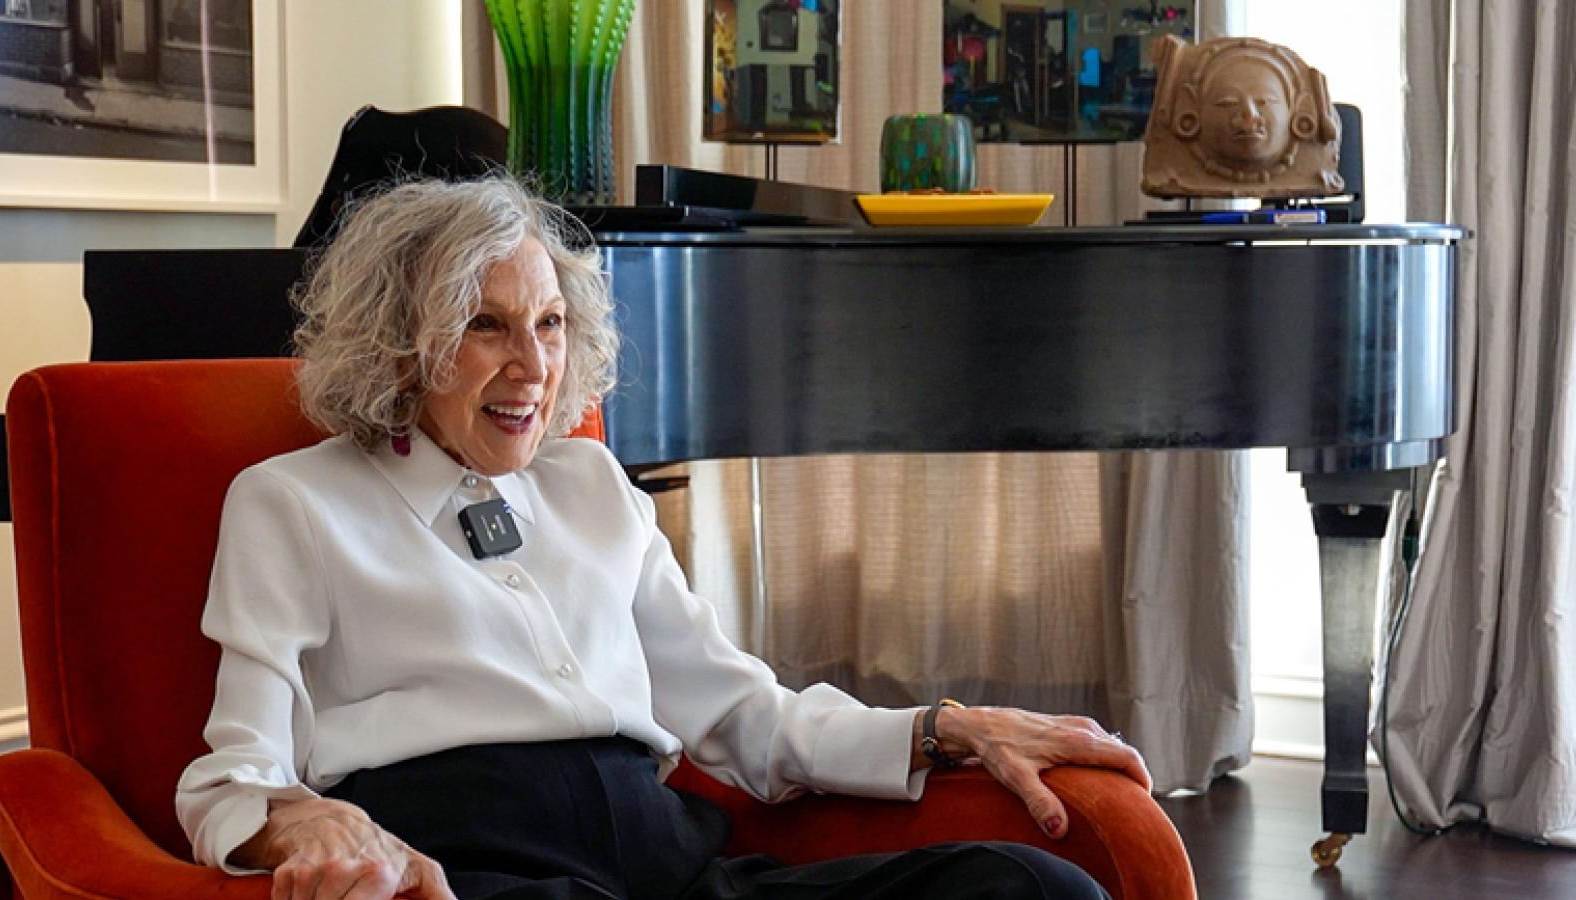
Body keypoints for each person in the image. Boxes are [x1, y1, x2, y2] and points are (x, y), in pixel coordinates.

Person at [176, 177, 1152, 900]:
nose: (533, 366)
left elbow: (741, 717)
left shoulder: (591, 485)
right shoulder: (292, 503)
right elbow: (233, 772)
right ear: (398, 342)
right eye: (486, 326)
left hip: (671, 867)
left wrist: (942, 728)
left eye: (551, 324)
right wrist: (303, 821)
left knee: (1029, 889)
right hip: (481, 868)